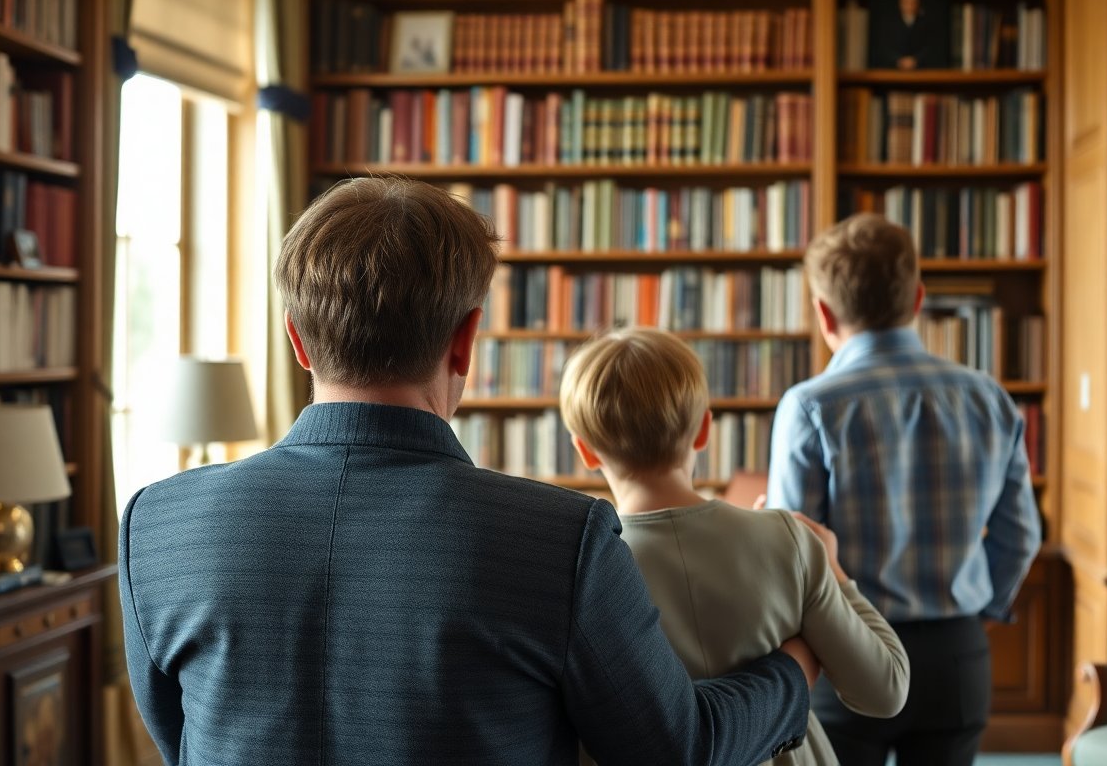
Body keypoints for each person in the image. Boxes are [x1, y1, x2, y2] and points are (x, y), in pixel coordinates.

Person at [119, 176, 816, 765]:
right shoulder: (560, 540)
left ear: (297, 340)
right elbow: (674, 751)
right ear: (466, 341)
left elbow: (180, 740)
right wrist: (794, 669)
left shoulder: (155, 524)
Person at [558, 327, 910, 766]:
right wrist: (829, 565)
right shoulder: (787, 539)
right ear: (705, 428)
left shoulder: (578, 569)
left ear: (584, 451)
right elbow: (886, 689)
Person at [765, 212, 1043, 766]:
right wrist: (974, 612)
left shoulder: (812, 405)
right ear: (917, 299)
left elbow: (795, 549)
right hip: (957, 655)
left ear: (823, 312)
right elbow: (1021, 535)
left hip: (848, 647)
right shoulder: (989, 398)